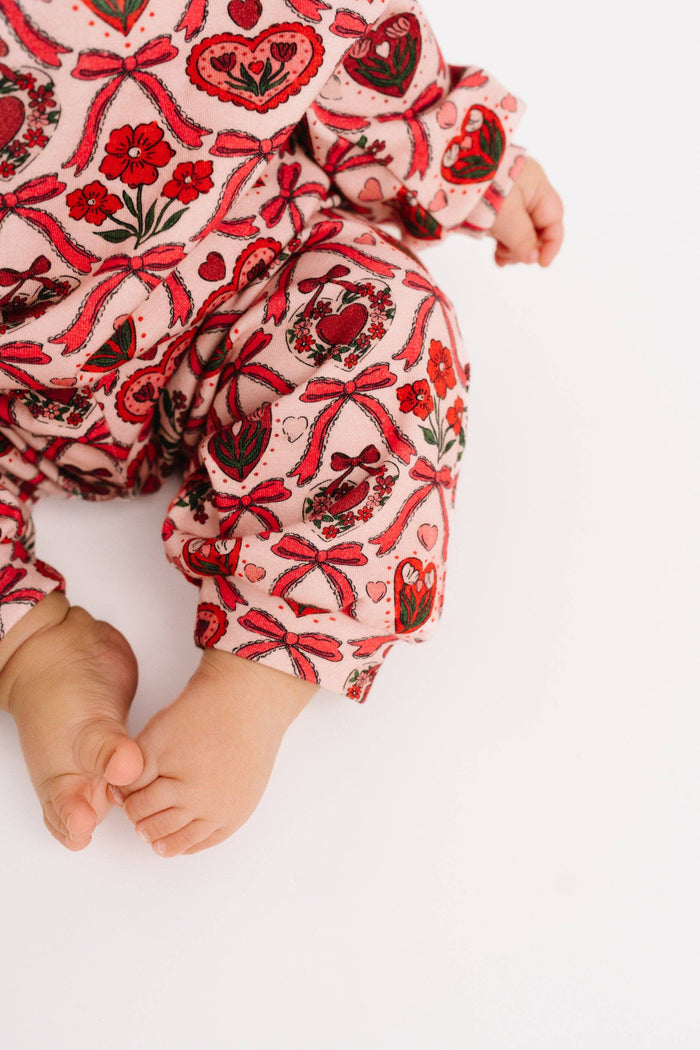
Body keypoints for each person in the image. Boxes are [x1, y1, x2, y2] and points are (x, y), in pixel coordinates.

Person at [0, 0, 563, 857]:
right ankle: (30, 648)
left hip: (242, 282)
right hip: (13, 390)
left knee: (392, 321)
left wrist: (465, 161)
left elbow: (361, 47)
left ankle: (265, 664)